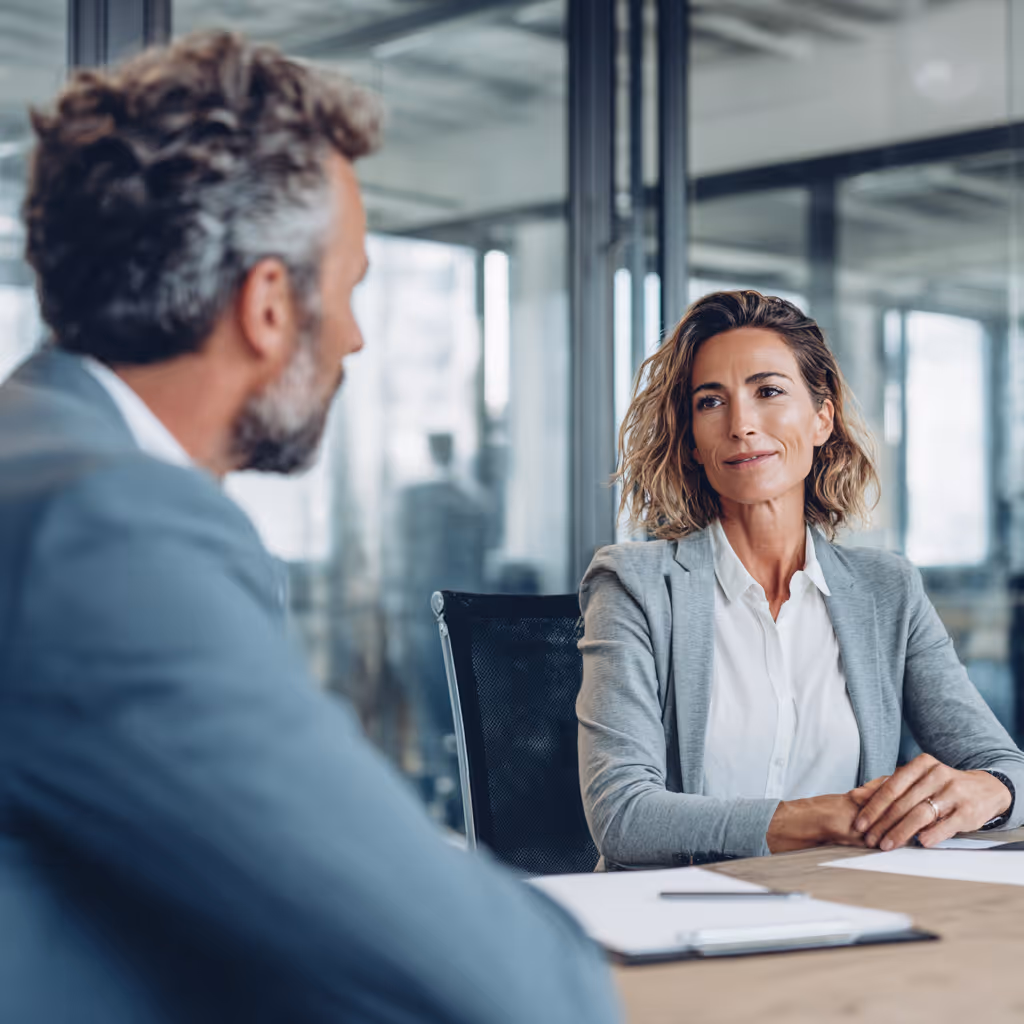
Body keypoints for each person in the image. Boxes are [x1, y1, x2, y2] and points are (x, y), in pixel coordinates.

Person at [0, 31, 621, 1024]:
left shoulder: (36, 461)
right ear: (267, 306)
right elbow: (504, 983)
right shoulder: (106, 530)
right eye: (349, 287)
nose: (357, 335)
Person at [577, 289, 1024, 870]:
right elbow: (622, 816)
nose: (741, 425)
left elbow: (1003, 764)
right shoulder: (634, 585)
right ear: (692, 443)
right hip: (678, 906)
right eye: (711, 402)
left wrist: (990, 791)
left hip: (850, 899)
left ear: (821, 419)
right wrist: (825, 818)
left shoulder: (887, 589)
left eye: (768, 391)